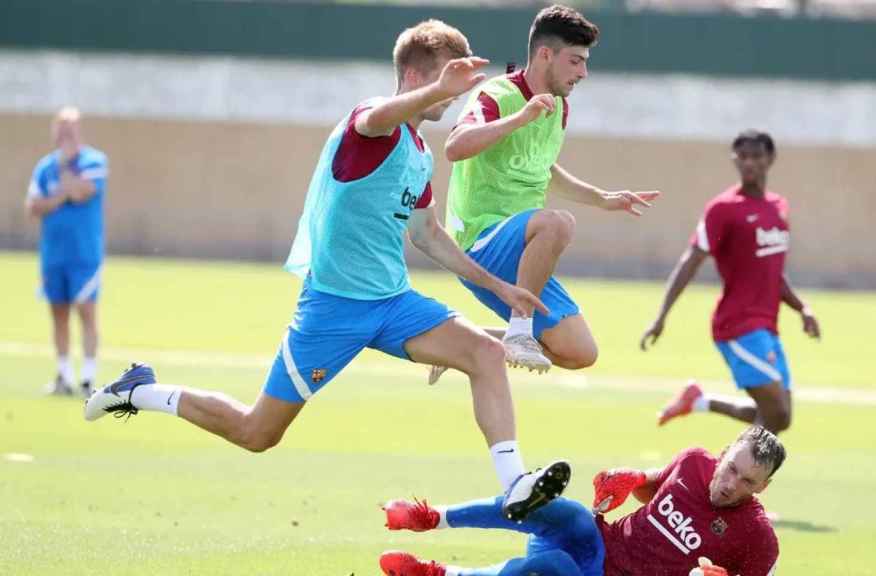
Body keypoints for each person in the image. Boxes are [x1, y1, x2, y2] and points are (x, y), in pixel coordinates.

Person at [84, 20, 565, 521]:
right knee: (258, 433)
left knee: (485, 352)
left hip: (395, 303)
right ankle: (140, 390)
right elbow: (377, 115)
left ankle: (514, 484)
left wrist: (502, 288)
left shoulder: (420, 154)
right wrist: (435, 92)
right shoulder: (370, 124)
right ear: (414, 73)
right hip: (333, 309)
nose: (459, 86)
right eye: (449, 74)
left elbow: (429, 236)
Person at [433, 4, 660, 381]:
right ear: (544, 55)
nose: (583, 73)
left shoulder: (559, 108)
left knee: (579, 353)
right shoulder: (498, 94)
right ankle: (520, 331)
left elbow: (543, 169)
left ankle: (465, 340)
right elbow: (455, 148)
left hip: (521, 256)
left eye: (585, 62)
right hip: (479, 242)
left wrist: (603, 199)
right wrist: (519, 118)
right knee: (557, 224)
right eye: (575, 61)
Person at [379, 426, 784, 576]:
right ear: (725, 451)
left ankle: (435, 573)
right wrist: (632, 478)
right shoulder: (696, 461)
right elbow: (655, 488)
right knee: (566, 513)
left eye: (747, 480)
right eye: (731, 467)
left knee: (549, 567)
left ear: (761, 488)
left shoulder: (757, 537)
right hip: (598, 541)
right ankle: (430, 518)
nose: (731, 483)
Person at [641, 130, 821, 434]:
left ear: (770, 159)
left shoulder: (778, 208)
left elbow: (773, 273)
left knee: (781, 417)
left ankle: (699, 401)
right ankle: (726, 476)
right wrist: (661, 316)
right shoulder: (723, 209)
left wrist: (802, 308)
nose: (749, 163)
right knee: (774, 414)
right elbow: (691, 261)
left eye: (757, 156)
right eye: (743, 157)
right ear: (734, 160)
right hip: (737, 325)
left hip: (767, 326)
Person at [25, 106, 108, 398]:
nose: (64, 135)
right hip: (53, 254)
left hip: (84, 254)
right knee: (58, 313)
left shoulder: (94, 160)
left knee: (86, 312)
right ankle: (63, 376)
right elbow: (33, 207)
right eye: (60, 130)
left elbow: (82, 191)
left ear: (79, 131)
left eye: (69, 130)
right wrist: (60, 196)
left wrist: (59, 188)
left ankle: (87, 379)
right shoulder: (43, 167)